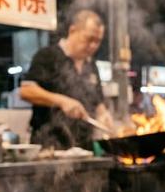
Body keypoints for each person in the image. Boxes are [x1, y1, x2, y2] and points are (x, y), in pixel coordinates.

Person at [20, 9, 113, 149]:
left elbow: (97, 100)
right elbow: (26, 91)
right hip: (50, 144)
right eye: (89, 39)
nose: (93, 46)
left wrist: (104, 115)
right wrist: (61, 101)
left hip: (84, 146)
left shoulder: (92, 66)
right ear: (72, 31)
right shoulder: (48, 55)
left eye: (98, 41)